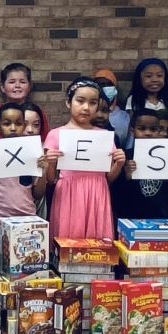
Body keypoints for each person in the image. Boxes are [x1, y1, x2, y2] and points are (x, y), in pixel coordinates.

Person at [43, 77, 126, 240]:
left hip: (97, 192)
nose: (86, 107)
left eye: (93, 103)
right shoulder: (55, 134)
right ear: (68, 102)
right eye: (80, 101)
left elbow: (108, 178)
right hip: (68, 193)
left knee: (96, 246)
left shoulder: (104, 136)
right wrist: (50, 163)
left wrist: (119, 164)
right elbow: (51, 179)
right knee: (68, 242)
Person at [0, 102, 47, 280]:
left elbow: (37, 194)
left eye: (18, 123)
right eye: (7, 123)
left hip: (28, 224)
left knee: (28, 278)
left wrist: (44, 170)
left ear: (24, 126)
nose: (13, 128)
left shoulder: (34, 154)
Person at [114, 109, 168, 223]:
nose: (148, 133)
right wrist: (127, 177)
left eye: (153, 129)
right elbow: (116, 194)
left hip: (162, 217)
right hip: (130, 218)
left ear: (159, 131)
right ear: (132, 131)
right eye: (142, 129)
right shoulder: (125, 156)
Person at [0, 63, 48, 138]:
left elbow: (44, 141)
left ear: (30, 86)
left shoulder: (36, 114)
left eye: (22, 82)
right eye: (12, 82)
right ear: (3, 87)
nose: (17, 86)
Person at [92, 68, 130, 145]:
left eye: (109, 84)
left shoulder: (124, 116)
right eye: (101, 84)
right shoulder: (88, 113)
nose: (105, 87)